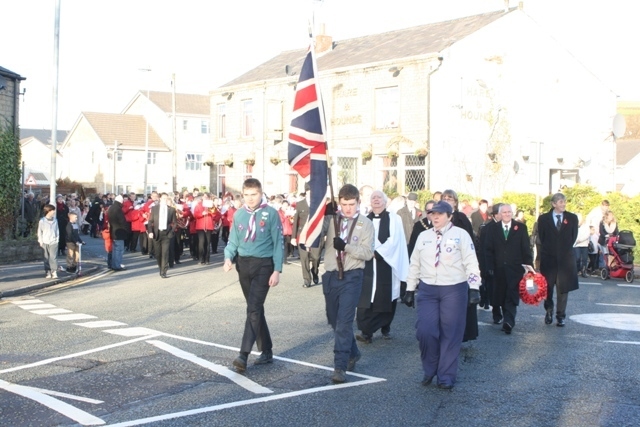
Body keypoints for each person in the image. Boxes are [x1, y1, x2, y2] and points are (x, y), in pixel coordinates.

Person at [402, 201, 481, 390]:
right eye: (432, 214)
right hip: (428, 289)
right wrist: (410, 288)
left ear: (449, 216)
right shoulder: (423, 236)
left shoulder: (461, 235)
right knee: (425, 331)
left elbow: (471, 261)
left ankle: (446, 376)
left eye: (439, 214)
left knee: (451, 333)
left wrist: (474, 287)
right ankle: (430, 369)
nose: (435, 217)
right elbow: (415, 264)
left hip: (454, 288)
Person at [223, 178, 284, 372]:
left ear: (261, 193)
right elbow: (233, 240)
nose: (250, 199)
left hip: (264, 265)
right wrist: (227, 258)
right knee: (255, 309)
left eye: (254, 194)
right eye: (246, 195)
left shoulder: (271, 214)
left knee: (253, 308)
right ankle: (266, 350)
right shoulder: (239, 215)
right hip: (244, 264)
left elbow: (278, 243)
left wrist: (277, 269)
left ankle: (243, 354)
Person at [322, 184, 375, 384]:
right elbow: (315, 238)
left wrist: (346, 247)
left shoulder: (365, 224)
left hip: (352, 275)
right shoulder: (332, 220)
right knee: (334, 320)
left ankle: (340, 366)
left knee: (344, 322)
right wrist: (322, 216)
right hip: (331, 275)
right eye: (344, 204)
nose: (348, 209)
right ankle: (353, 352)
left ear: (358, 203)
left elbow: (367, 253)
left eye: (352, 204)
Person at [356, 190, 409, 343]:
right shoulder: (363, 220)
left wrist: (378, 253)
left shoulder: (394, 218)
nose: (376, 200)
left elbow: (395, 240)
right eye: (373, 198)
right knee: (366, 297)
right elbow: (356, 237)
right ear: (369, 202)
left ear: (386, 202)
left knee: (385, 296)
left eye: (379, 197)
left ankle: (385, 326)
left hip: (386, 263)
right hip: (367, 264)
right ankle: (366, 332)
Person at [485, 204, 534, 334]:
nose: (507, 214)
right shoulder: (493, 229)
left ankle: (508, 321)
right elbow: (488, 249)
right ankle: (502, 316)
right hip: (498, 269)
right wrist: (488, 267)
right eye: (504, 212)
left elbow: (525, 248)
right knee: (501, 294)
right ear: (500, 214)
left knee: (512, 295)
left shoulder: (521, 228)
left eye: (509, 212)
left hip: (515, 269)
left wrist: (529, 265)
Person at [440, 189, 478, 342]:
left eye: (450, 198)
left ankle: (459, 335)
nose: (448, 200)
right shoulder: (437, 216)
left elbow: (469, 243)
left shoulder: (461, 218)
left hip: (459, 265)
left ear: (455, 202)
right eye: (445, 198)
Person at [537, 193, 579, 327]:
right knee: (547, 288)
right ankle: (548, 310)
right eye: (560, 202)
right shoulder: (543, 219)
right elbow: (542, 238)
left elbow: (573, 237)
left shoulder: (572, 218)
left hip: (565, 261)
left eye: (564, 201)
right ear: (554, 204)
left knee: (563, 290)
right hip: (549, 260)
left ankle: (561, 316)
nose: (563, 204)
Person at [292, 182, 323, 288]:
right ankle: (307, 279)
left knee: (316, 257)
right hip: (303, 235)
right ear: (306, 192)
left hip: (316, 234)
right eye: (309, 191)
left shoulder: (319, 203)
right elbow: (296, 221)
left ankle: (315, 271)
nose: (311, 193)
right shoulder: (300, 204)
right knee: (304, 258)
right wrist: (293, 237)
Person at [148, 193, 176, 278]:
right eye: (163, 198)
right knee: (158, 253)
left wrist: (171, 232)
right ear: (160, 199)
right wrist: (150, 231)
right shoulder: (154, 208)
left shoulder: (171, 210)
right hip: (157, 233)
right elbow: (150, 221)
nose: (165, 200)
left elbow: (174, 222)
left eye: (166, 199)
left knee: (165, 253)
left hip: (166, 234)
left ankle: (164, 271)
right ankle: (161, 267)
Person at [37, 204, 59, 279]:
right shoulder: (42, 221)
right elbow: (40, 231)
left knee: (53, 257)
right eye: (52, 210)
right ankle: (48, 271)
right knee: (46, 257)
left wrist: (57, 239)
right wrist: (40, 241)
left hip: (53, 241)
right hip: (45, 241)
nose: (54, 212)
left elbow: (57, 230)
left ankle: (54, 271)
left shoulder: (55, 220)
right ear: (48, 211)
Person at [107, 195, 128, 271]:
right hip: (120, 232)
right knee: (119, 250)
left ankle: (114, 264)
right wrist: (126, 229)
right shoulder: (118, 209)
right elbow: (122, 221)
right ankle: (117, 265)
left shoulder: (111, 208)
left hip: (113, 231)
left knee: (115, 250)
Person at [574, 213, 590, 278]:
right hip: (576, 245)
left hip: (584, 244)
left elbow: (587, 234)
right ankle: (577, 270)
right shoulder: (574, 226)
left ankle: (584, 271)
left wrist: (580, 240)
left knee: (584, 259)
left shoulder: (586, 226)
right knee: (577, 258)